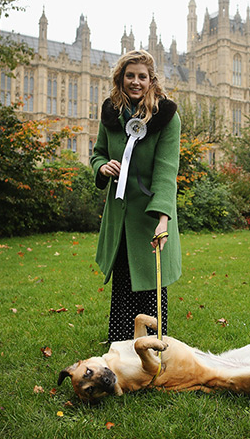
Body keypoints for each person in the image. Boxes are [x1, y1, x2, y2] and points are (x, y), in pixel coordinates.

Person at [90, 50, 182, 343]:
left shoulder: (166, 117)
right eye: (130, 75)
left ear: (151, 81)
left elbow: (167, 172)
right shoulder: (110, 114)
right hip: (120, 212)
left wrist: (162, 220)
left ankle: (153, 346)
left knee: (150, 281)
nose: (136, 82)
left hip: (150, 213)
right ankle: (120, 343)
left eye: (142, 76)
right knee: (124, 280)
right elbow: (98, 154)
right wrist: (102, 167)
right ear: (121, 78)